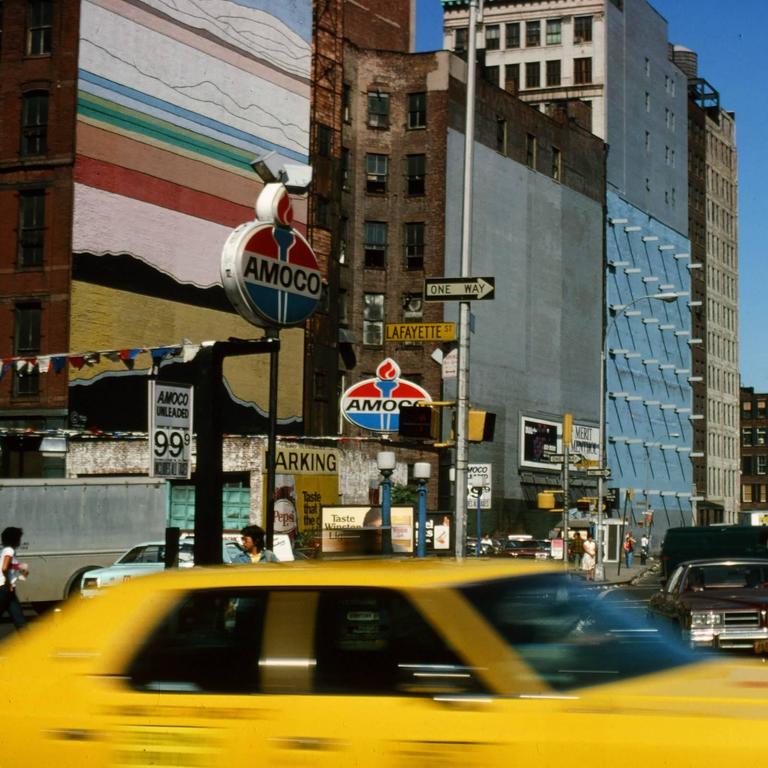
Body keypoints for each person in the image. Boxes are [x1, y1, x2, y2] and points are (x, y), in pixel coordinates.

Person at [0, 527, 28, 630]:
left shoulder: (5, 550)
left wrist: (21, 568)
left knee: (19, 620)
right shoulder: (9, 550)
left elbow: (9, 566)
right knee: (20, 621)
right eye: (19, 538)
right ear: (15, 540)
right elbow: (4, 568)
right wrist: (8, 583)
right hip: (3, 589)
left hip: (7, 590)